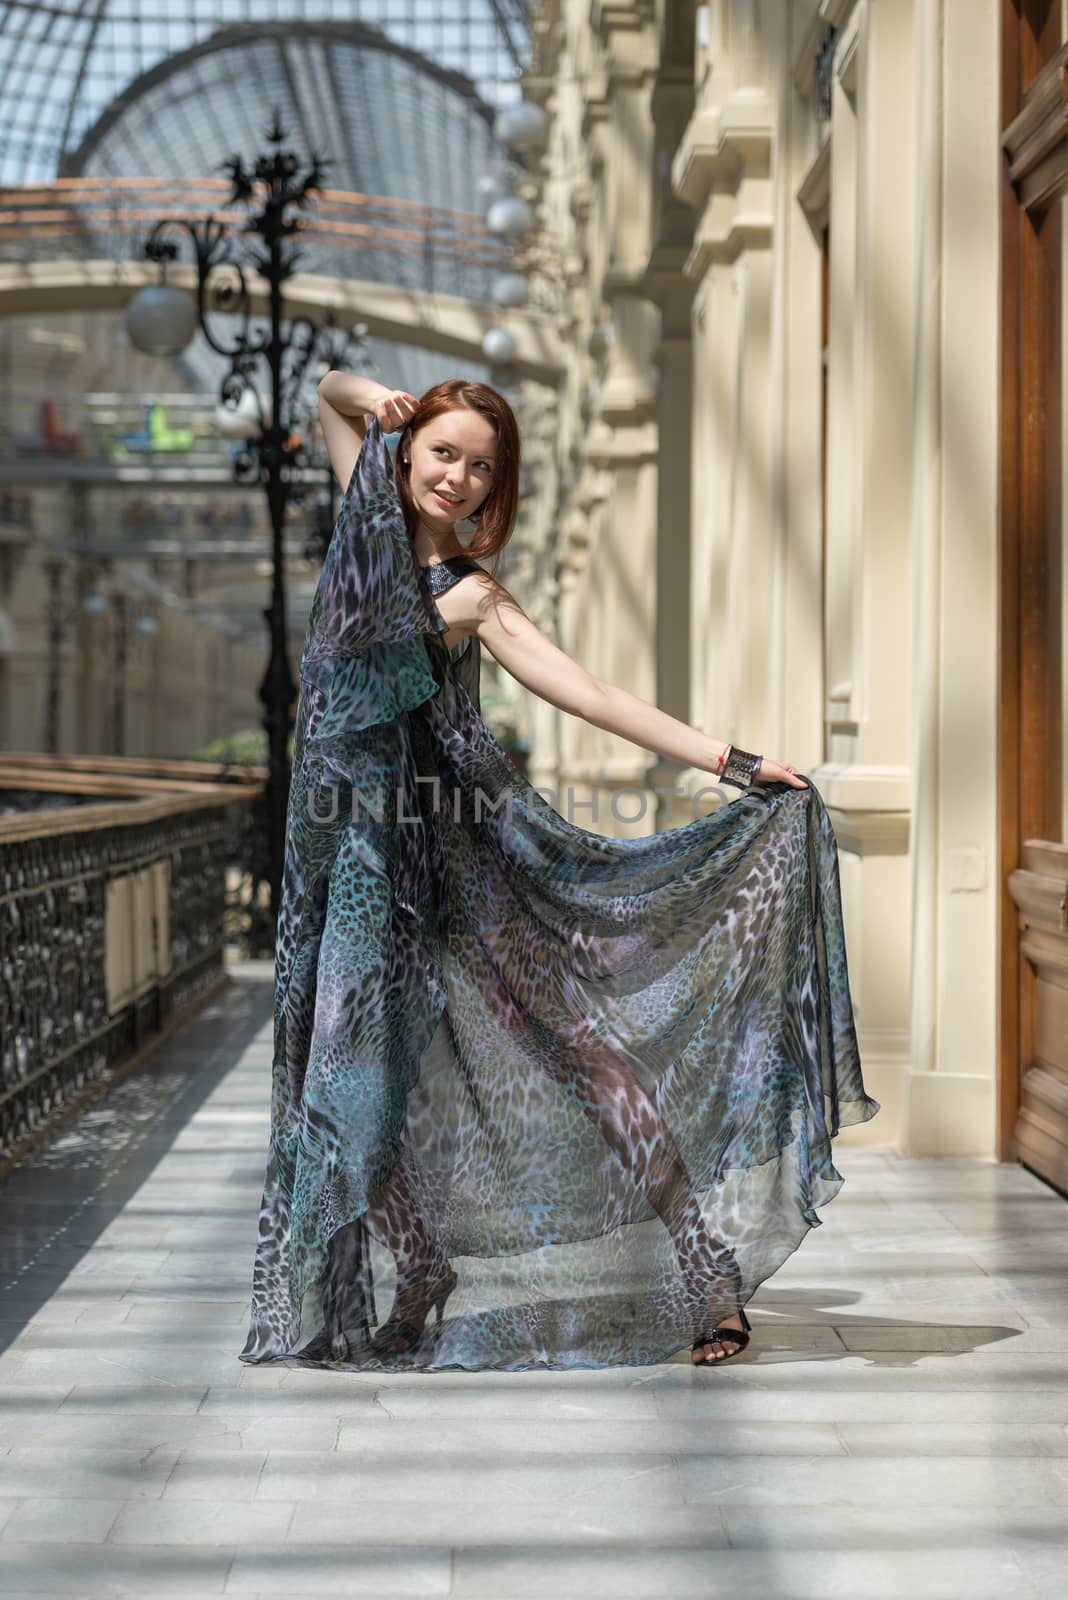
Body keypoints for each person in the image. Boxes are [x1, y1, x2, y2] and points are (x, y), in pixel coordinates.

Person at [238, 372, 880, 1375]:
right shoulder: (362, 530)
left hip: (459, 855)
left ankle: (706, 1266)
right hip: (348, 865)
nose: (457, 477)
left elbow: (590, 690)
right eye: (444, 452)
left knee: (589, 1057)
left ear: (497, 492)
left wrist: (733, 761)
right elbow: (327, 393)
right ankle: (417, 1272)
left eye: (481, 467)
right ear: (402, 454)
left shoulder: (471, 595)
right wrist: (383, 397)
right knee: (354, 1083)